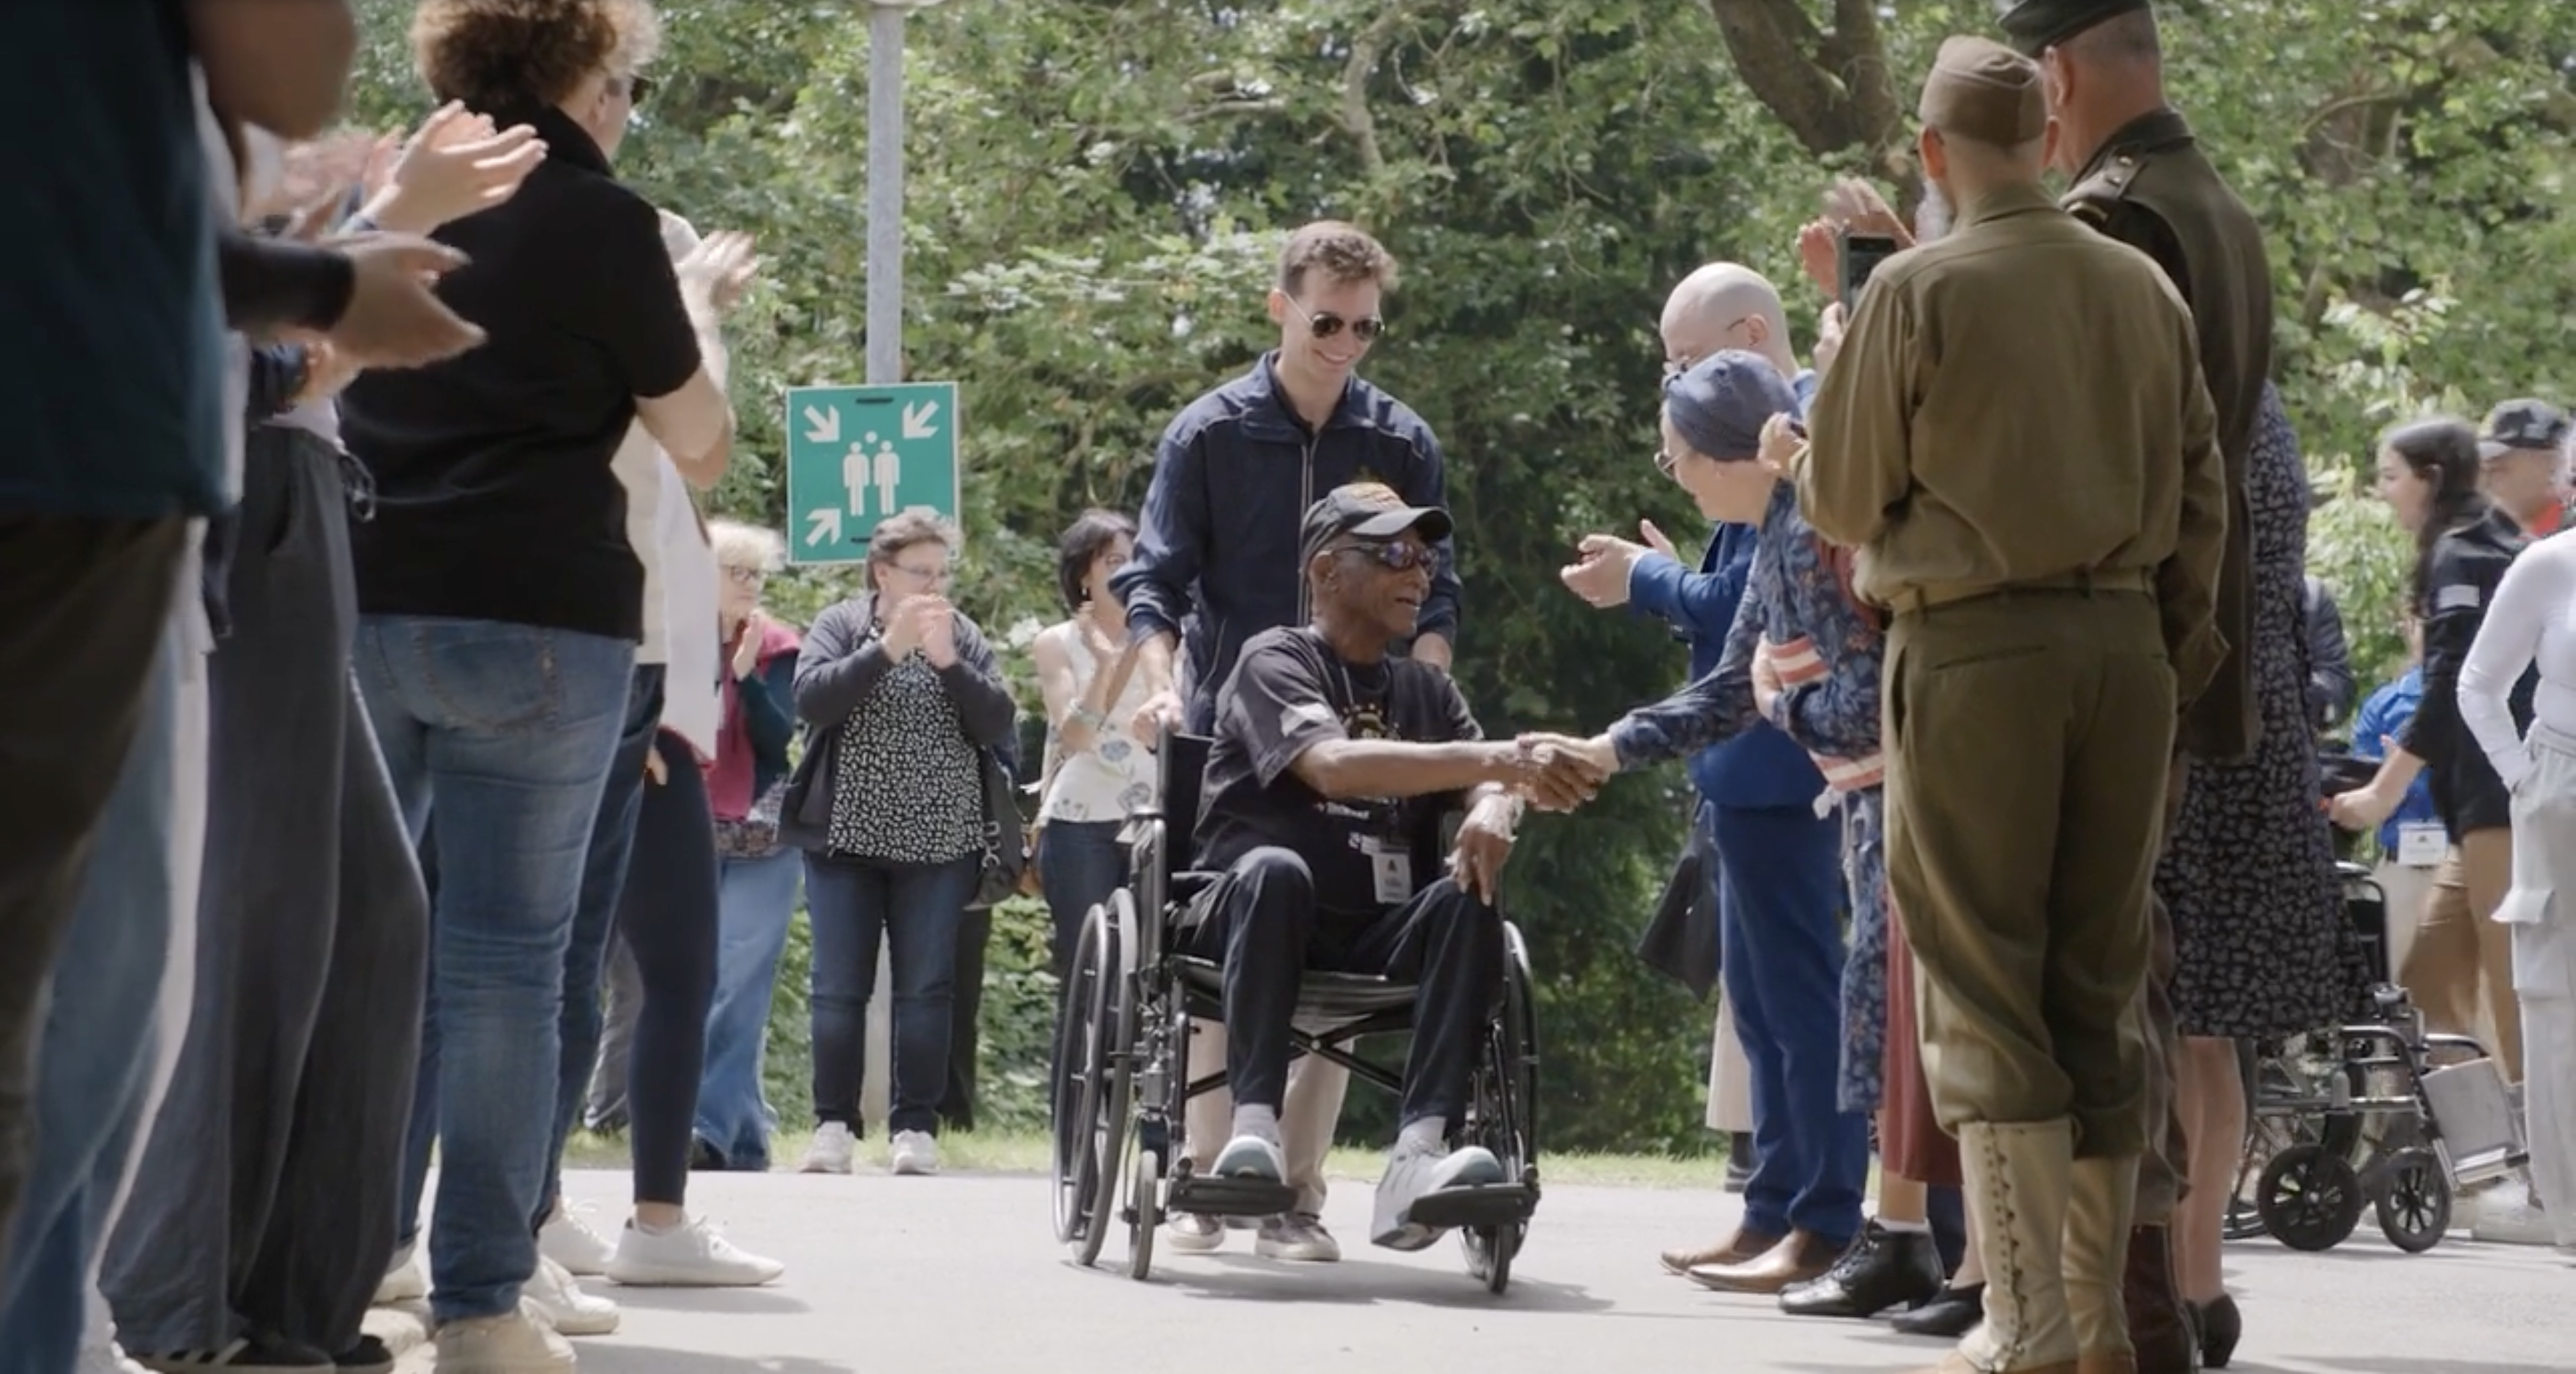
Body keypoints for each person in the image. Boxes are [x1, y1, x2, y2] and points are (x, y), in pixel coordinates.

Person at [1797, 36, 2229, 1374]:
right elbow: (2204, 500)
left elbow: (1843, 497)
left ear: (1934, 153)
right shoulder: (2141, 286)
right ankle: (2097, 1321)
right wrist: (2164, 658)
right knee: (2100, 980)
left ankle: (2029, 1320)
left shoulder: (1916, 287)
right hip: (2127, 653)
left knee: (1982, 984)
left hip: (1975, 652)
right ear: (2048, 141)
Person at [335, 0, 741, 1363]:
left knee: (367, 954)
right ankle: (481, 1306)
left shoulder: (393, 198)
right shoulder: (604, 223)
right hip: (541, 615)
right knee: (506, 970)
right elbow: (700, 443)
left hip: (369, 600)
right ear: (582, 68)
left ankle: (348, 1264)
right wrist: (694, 313)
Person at [1993, 3, 2291, 1363]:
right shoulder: (2211, 203)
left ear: (2055, 74)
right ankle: (2135, 1295)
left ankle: (2125, 1302)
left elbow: (2078, 469)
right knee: (2120, 968)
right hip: (2164, 649)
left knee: (2087, 981)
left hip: (2100, 649)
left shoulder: (2117, 219)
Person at [1110, 221, 1458, 1259]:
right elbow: (1156, 579)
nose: (1346, 345)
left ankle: (1295, 1192)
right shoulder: (1210, 434)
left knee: (1356, 897)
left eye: (1366, 328)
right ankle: (1214, 1171)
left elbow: (1440, 597)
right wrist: (1164, 688)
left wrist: (1427, 699)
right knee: (1240, 911)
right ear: (1282, 309)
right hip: (1233, 715)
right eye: (1327, 324)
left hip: (1362, 716)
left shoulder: (1400, 441)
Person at [1190, 484, 1594, 1251]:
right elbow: (1332, 766)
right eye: (1395, 553)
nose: (1420, 573)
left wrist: (1491, 807)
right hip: (1249, 917)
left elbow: (1489, 782)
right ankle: (1254, 1130)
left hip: (1372, 928)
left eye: (1427, 558)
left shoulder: (1426, 688)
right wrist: (1499, 762)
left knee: (1469, 893)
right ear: (1325, 570)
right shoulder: (1274, 659)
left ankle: (1418, 1154)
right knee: (1277, 869)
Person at [1558, 342, 1868, 1300]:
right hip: (1812, 789)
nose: (1676, 476)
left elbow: (1851, 688)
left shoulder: (1815, 523)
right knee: (1770, 1016)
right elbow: (1733, 685)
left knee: (1822, 1013)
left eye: (1678, 455)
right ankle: (1784, 1210)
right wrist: (1607, 748)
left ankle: (1834, 1222)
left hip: (1868, 796)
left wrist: (1781, 702)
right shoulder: (1774, 524)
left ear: (1730, 451)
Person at [786, 513, 1016, 1179]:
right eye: (921, 572)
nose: (934, 586)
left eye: (942, 573)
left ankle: (916, 1125)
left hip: (941, 842)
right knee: (838, 988)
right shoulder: (841, 625)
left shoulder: (962, 634)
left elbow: (998, 721)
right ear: (883, 573)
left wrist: (948, 662)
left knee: (926, 988)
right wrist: (887, 648)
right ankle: (833, 1125)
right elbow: (812, 701)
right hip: (844, 839)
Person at [2332, 421, 2533, 1083]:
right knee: (2428, 982)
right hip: (2477, 807)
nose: (2384, 492)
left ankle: (2544, 1139)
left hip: (2505, 803)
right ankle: (2475, 1137)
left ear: (2432, 478)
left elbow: (2448, 685)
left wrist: (2381, 792)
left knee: (2516, 988)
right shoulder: (2490, 543)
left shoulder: (2465, 552)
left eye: (2392, 476)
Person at [2457, 522, 2576, 1255]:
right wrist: (2523, 778)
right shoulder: (2550, 563)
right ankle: (2569, 1207)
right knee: (2557, 1001)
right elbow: (2479, 683)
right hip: (2560, 785)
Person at [692, 520, 804, 1174]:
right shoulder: (674, 643)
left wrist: (746, 675)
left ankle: (706, 1126)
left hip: (764, 836)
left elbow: (778, 737)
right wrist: (716, 672)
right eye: (737, 572)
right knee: (700, 977)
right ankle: (747, 1137)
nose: (750, 585)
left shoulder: (778, 645)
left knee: (739, 978)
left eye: (756, 574)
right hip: (689, 826)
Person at [1031, 510, 1155, 981]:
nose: (1127, 571)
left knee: (1150, 970)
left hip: (1156, 815)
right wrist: (1104, 668)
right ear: (1084, 574)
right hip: (1081, 820)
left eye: (1135, 559)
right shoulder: (1056, 643)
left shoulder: (1167, 637)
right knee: (1088, 971)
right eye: (1113, 561)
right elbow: (1076, 735)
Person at [2346, 613, 2446, 979]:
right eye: (2426, 623)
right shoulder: (2384, 705)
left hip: (2463, 863)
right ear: (2408, 627)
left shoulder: (2485, 697)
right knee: (2392, 981)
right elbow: (2361, 790)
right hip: (2403, 865)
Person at [2477, 399, 2571, 539]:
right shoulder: (2482, 536)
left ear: (2554, 463)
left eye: (2498, 469)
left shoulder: (2568, 536)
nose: (2487, 477)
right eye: (2483, 466)